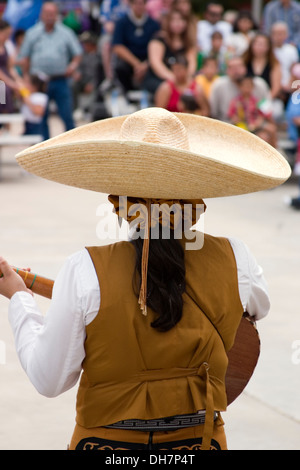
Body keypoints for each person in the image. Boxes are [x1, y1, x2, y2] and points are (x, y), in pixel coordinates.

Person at [0, 107, 290, 451]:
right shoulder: (237, 258)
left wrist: (20, 298)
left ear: (120, 201)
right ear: (194, 193)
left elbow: (49, 379)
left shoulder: (84, 269)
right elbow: (258, 308)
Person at [18, 2, 82, 140]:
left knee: (67, 115)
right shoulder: (32, 33)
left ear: (57, 15)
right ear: (41, 15)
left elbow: (77, 53)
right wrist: (26, 78)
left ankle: (72, 147)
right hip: (39, 81)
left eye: (52, 14)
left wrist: (72, 66)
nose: (49, 17)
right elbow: (25, 57)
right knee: (41, 117)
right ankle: (44, 150)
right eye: (47, 14)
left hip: (60, 79)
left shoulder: (66, 32)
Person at [143, 7, 197, 95]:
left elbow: (192, 65)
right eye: (174, 20)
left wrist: (185, 79)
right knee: (166, 89)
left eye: (181, 20)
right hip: (159, 79)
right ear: (168, 22)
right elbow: (156, 64)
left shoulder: (188, 42)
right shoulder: (158, 39)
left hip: (183, 79)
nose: (178, 23)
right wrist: (173, 79)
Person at [111, 0, 160, 95]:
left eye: (142, 3)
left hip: (149, 60)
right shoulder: (122, 23)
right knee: (120, 68)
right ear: (131, 4)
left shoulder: (154, 24)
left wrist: (146, 64)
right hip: (129, 60)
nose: (139, 6)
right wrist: (136, 64)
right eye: (136, 3)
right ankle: (127, 94)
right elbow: (117, 46)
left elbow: (158, 46)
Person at [210, 55, 270, 123]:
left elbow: (267, 109)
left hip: (255, 125)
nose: (236, 71)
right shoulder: (219, 86)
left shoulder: (259, 85)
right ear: (227, 70)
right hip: (227, 125)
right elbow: (213, 113)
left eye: (239, 66)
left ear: (245, 68)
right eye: (232, 67)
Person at [243, 33, 282, 101]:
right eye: (257, 44)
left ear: (268, 47)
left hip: (267, 98)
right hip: (246, 99)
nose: (259, 47)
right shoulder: (244, 62)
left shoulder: (274, 64)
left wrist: (265, 101)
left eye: (263, 45)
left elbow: (276, 87)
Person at [270, 21, 299, 104]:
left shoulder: (292, 49)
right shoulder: (269, 50)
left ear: (286, 35)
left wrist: (289, 85)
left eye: (281, 33)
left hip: (288, 87)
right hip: (272, 85)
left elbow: (293, 70)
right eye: (276, 33)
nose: (279, 36)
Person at [0, 19, 19, 114]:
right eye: (6, 34)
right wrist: (11, 83)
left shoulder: (8, 45)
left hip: (6, 79)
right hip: (2, 82)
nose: (8, 37)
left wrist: (18, 81)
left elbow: (11, 68)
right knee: (3, 89)